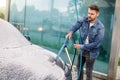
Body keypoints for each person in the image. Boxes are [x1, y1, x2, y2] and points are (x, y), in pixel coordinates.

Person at [66, 4, 105, 80]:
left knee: (88, 72)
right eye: (89, 13)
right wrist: (71, 32)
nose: (89, 15)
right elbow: (77, 24)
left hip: (91, 53)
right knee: (79, 68)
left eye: (92, 14)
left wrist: (81, 46)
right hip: (82, 51)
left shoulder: (100, 27)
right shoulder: (85, 19)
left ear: (97, 14)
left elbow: (96, 44)